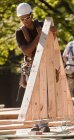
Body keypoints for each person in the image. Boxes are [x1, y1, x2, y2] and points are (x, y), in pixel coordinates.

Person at [16, 2, 52, 132]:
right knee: (32, 96)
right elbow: (27, 51)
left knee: (43, 93)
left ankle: (43, 123)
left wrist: (50, 30)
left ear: (31, 15)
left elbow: (53, 38)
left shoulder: (43, 25)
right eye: (22, 19)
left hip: (45, 63)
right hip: (31, 65)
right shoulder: (20, 32)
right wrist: (41, 36)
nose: (25, 21)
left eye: (27, 17)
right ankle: (36, 123)